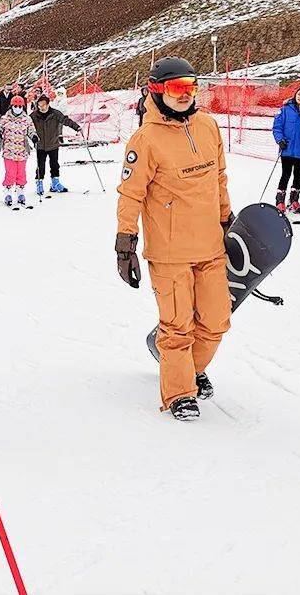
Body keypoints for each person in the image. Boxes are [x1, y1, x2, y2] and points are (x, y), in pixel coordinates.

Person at [115, 56, 232, 421]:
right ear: (157, 90)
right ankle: (180, 391)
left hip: (210, 244)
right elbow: (130, 193)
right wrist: (125, 243)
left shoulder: (209, 127)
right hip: (169, 252)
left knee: (216, 320)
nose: (185, 95)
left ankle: (191, 369)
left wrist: (227, 218)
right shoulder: (145, 139)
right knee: (177, 324)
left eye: (191, 87)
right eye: (176, 88)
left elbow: (219, 178)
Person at [271, 86, 300, 214]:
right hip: (288, 148)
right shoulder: (285, 110)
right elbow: (277, 127)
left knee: (298, 176)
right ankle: (280, 200)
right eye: (298, 94)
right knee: (285, 174)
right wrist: (280, 140)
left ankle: (294, 200)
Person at [30, 94, 82, 195]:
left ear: (48, 104)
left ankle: (55, 183)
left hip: (53, 144)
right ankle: (39, 183)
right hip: (40, 145)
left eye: (43, 105)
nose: (41, 107)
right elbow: (26, 125)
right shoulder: (34, 115)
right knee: (41, 166)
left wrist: (77, 127)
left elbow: (66, 120)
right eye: (39, 105)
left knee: (54, 165)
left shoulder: (55, 114)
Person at [0, 95, 37, 207]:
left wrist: (34, 136)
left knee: (21, 173)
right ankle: (8, 192)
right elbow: (0, 127)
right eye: (15, 106)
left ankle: (20, 192)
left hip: (22, 151)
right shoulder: (5, 118)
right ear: (11, 106)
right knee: (10, 173)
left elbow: (31, 130)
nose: (18, 108)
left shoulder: (27, 119)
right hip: (9, 151)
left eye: (20, 106)